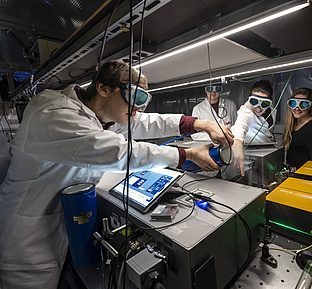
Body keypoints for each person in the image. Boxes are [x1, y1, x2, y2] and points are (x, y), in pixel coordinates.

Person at [0, 60, 234, 289]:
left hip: (64, 229)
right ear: (103, 88)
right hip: (26, 242)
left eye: (143, 100)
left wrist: (200, 124)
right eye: (133, 98)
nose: (138, 109)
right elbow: (119, 153)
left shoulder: (99, 115)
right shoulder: (53, 112)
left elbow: (146, 122)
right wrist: (188, 155)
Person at [231, 80, 276, 176]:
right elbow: (240, 124)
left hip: (268, 152)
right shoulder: (246, 111)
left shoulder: (270, 108)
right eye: (254, 102)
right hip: (252, 157)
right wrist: (237, 142)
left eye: (264, 103)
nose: (258, 107)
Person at [282, 87, 312, 172]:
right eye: (293, 103)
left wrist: (297, 169)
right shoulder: (293, 124)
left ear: (310, 107)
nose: (297, 108)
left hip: (305, 177)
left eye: (303, 104)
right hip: (295, 176)